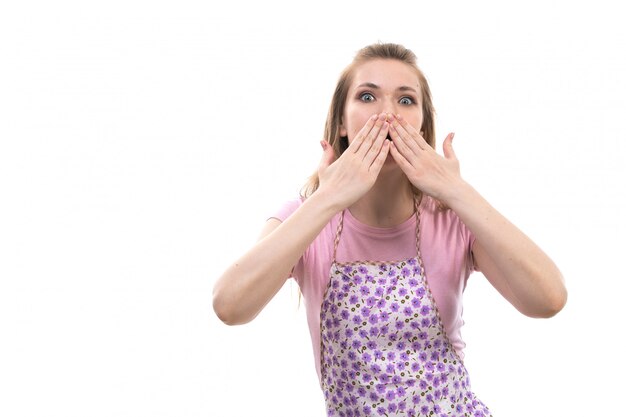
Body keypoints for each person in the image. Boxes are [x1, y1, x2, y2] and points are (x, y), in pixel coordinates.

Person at [212, 43, 567, 416]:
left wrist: (456, 190)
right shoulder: (306, 219)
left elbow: (549, 299)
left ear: (423, 127)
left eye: (406, 101)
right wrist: (328, 197)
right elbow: (229, 305)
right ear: (342, 124)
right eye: (368, 96)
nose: (387, 115)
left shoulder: (453, 217)